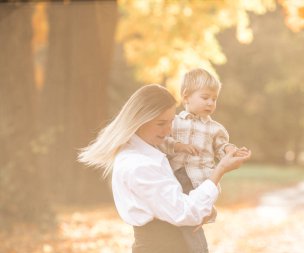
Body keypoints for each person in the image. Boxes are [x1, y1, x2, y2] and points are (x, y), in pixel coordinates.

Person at [78, 84, 251, 253]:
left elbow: (178, 203)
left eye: (171, 123)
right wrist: (219, 170)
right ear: (139, 120)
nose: (168, 131)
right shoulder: (138, 164)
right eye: (161, 123)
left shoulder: (149, 151)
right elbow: (185, 211)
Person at [159, 68, 244, 253]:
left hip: (198, 181)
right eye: (205, 97)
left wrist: (230, 150)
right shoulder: (173, 121)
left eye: (214, 99)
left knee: (192, 225)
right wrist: (178, 145)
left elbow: (221, 147)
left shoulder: (215, 129)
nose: (210, 103)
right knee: (174, 221)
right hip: (174, 177)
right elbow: (162, 141)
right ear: (186, 97)